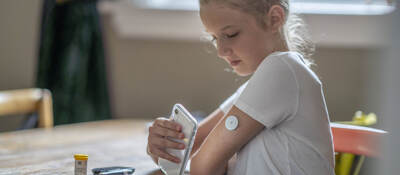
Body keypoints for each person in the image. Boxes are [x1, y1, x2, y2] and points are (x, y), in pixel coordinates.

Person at [146, 0, 335, 174]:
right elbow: (192, 146)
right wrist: (162, 147)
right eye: (214, 38)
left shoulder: (282, 70)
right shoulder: (256, 88)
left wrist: (214, 162)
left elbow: (202, 168)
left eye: (230, 34)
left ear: (274, 19)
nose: (220, 51)